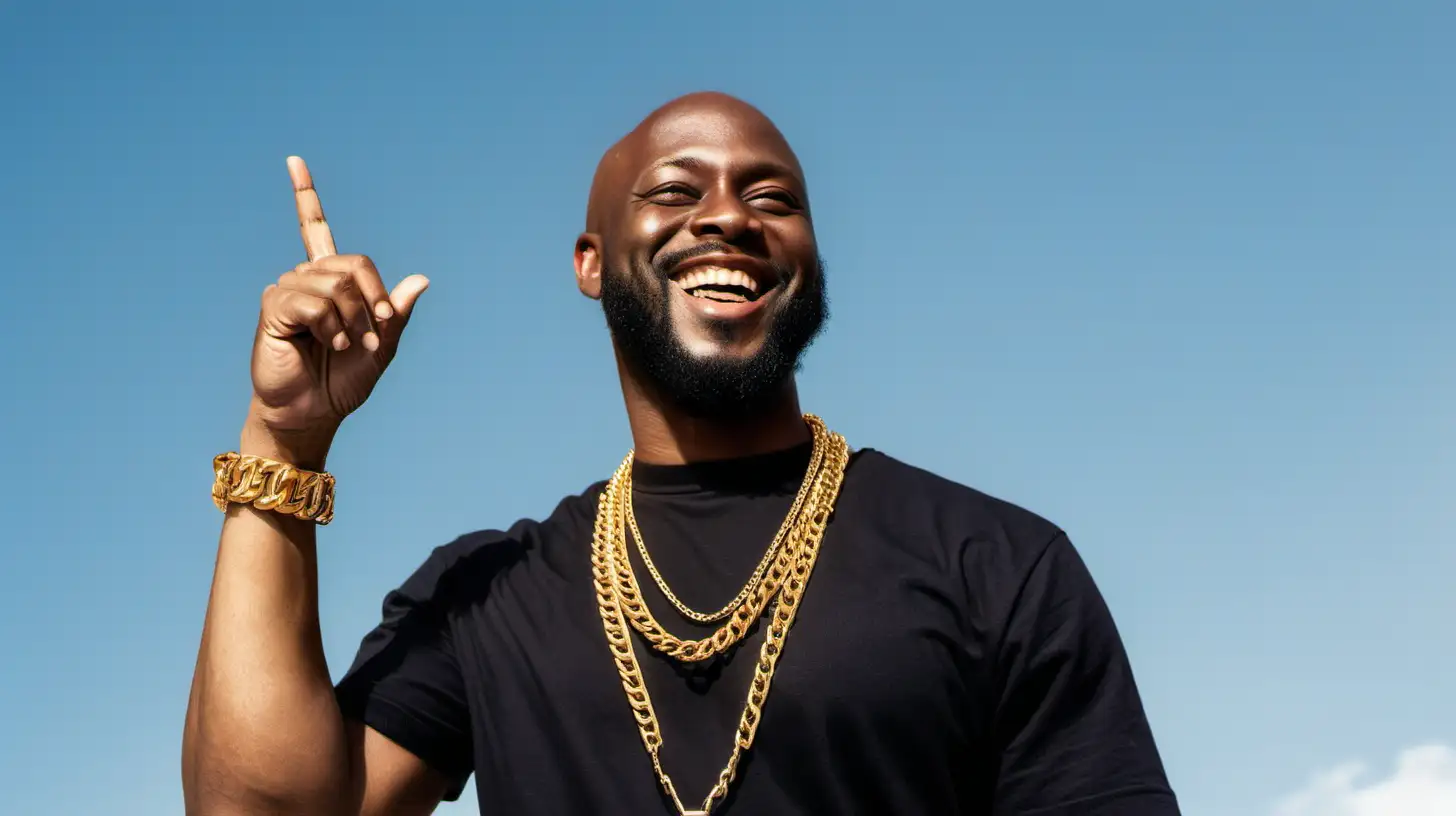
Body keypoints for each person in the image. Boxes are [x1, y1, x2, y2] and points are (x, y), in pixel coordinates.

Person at [182, 91, 1180, 816]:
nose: (729, 217)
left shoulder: (994, 563)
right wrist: (286, 440)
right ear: (590, 262)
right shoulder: (489, 598)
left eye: (771, 198)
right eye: (674, 191)